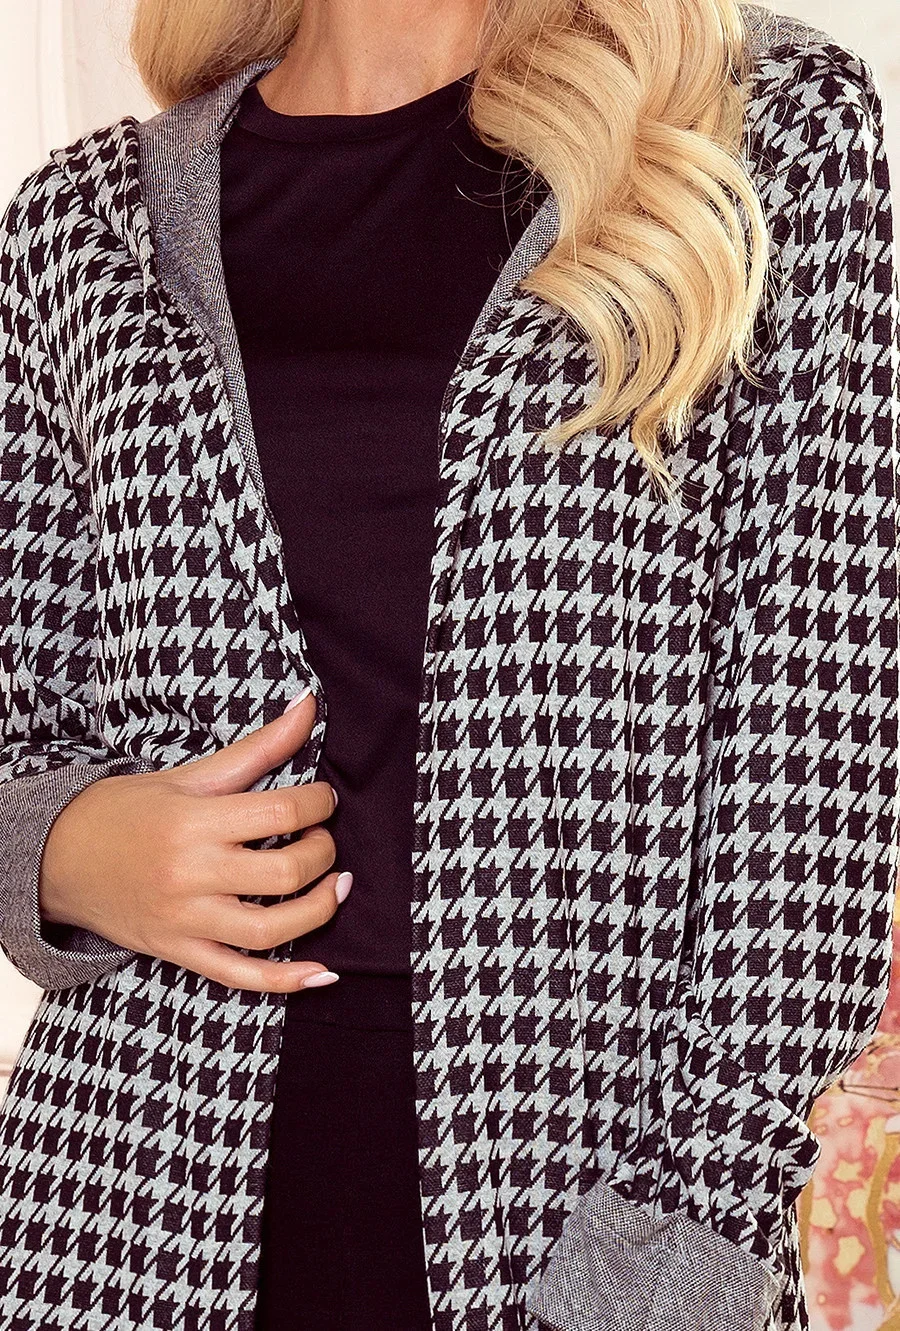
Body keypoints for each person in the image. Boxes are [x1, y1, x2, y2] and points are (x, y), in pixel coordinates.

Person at [0, 0, 897, 1328]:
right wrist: (67, 850)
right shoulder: (83, 225)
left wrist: (666, 1266)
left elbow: (815, 770)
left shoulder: (757, 127)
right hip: (132, 1198)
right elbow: (24, 718)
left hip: (590, 1203)